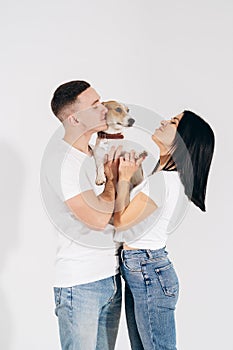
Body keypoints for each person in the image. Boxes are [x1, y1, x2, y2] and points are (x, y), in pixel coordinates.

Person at [113, 110, 215, 350]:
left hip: (147, 270)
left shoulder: (163, 181)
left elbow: (120, 223)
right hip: (144, 269)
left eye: (173, 122)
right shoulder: (164, 177)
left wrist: (125, 179)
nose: (163, 121)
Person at [40, 80, 122, 350]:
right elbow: (98, 220)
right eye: (95, 105)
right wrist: (113, 181)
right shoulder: (62, 162)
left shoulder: (93, 152)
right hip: (80, 285)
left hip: (110, 277)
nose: (104, 109)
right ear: (74, 118)